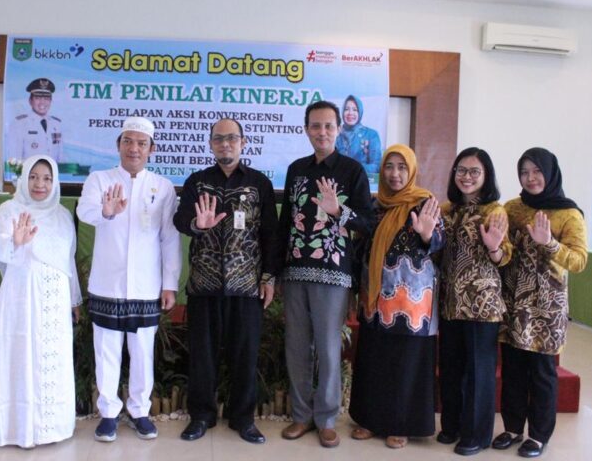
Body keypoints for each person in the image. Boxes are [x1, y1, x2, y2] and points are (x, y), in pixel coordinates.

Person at [173, 118, 279, 444]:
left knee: (245, 355)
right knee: (202, 356)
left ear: (243, 142)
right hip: (204, 285)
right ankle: (201, 416)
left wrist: (268, 277)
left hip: (247, 287)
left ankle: (243, 418)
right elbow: (180, 219)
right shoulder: (197, 181)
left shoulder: (259, 183)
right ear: (210, 144)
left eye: (232, 138)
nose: (225, 144)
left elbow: (271, 235)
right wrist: (197, 224)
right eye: (219, 139)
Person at [77, 117, 182, 442]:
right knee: (106, 351)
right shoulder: (99, 180)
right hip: (107, 283)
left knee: (142, 352)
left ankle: (139, 411)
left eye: (141, 143)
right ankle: (108, 413)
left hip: (146, 285)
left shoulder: (162, 186)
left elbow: (169, 237)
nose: (134, 148)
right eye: (128, 141)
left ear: (151, 149)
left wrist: (169, 283)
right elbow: (84, 212)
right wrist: (107, 212)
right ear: (118, 145)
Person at [277, 100, 373, 448]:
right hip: (295, 272)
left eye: (328, 126)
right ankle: (301, 416)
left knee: (330, 350)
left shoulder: (352, 171)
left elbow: (367, 222)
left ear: (338, 129)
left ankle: (327, 419)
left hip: (333, 274)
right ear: (306, 130)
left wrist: (338, 210)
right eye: (315, 126)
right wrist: (276, 272)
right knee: (297, 347)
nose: (322, 132)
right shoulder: (296, 170)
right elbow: (285, 223)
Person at [492, 148, 587, 458]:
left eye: (536, 171)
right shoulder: (511, 208)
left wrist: (550, 244)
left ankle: (538, 436)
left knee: (543, 375)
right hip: (513, 303)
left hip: (548, 308)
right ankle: (512, 428)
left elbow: (579, 261)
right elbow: (502, 247)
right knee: (513, 370)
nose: (530, 178)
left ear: (550, 173)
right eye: (524, 172)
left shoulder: (569, 214)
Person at [349, 144, 444, 449]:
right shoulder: (375, 205)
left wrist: (427, 235)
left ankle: (400, 424)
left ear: (412, 170)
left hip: (411, 300)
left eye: (402, 167)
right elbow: (361, 246)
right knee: (374, 360)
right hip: (375, 298)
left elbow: (440, 243)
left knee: (405, 364)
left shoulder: (424, 202)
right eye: (389, 166)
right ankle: (369, 419)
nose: (395, 174)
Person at [0, 155, 82, 448]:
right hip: (21, 296)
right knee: (21, 355)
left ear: (55, 182)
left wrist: (74, 300)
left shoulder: (62, 215)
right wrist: (15, 242)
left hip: (55, 300)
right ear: (24, 178)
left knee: (52, 357)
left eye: (47, 178)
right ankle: (19, 429)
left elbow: (68, 260)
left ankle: (53, 427)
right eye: (33, 177)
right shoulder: (9, 209)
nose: (40, 184)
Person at [437, 147, 512, 456]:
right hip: (450, 303)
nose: (466, 177)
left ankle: (477, 435)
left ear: (486, 176)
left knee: (479, 373)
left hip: (482, 305)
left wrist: (494, 247)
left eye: (474, 172)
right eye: (461, 170)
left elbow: (504, 257)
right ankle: (452, 426)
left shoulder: (495, 211)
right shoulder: (447, 209)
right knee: (451, 368)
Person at [7, 78, 63, 162]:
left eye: (46, 98)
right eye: (38, 98)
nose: (42, 102)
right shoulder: (19, 124)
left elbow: (60, 157)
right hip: (29, 170)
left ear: (51, 101)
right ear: (30, 101)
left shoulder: (56, 124)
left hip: (52, 170)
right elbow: (14, 159)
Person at [334, 94, 382, 177]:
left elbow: (376, 166)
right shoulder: (336, 135)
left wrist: (352, 168)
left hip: (362, 182)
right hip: (339, 182)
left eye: (355, 110)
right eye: (346, 109)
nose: (350, 113)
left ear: (360, 112)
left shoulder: (371, 135)